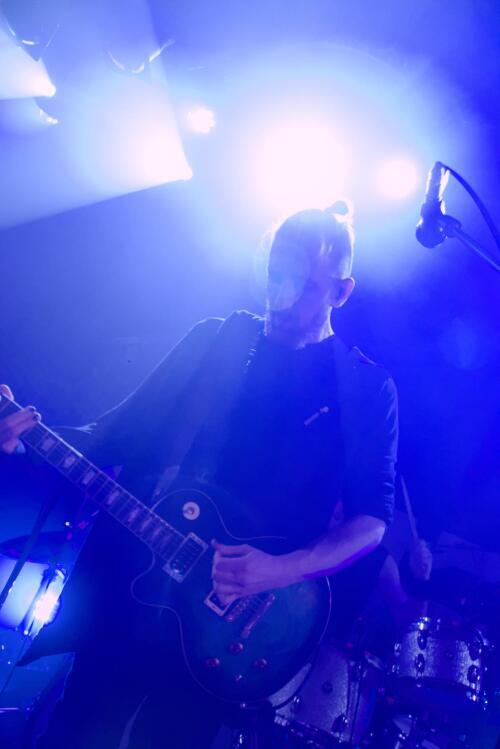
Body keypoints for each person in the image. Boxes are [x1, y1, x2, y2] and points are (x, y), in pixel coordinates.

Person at [0, 204, 398, 748]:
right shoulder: (218, 341)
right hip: (131, 586)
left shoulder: (364, 388)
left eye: (305, 284)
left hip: (232, 625)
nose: (283, 294)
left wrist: (277, 570)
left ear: (341, 292)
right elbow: (113, 435)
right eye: (277, 274)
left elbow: (371, 522)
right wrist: (24, 437)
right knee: (76, 732)